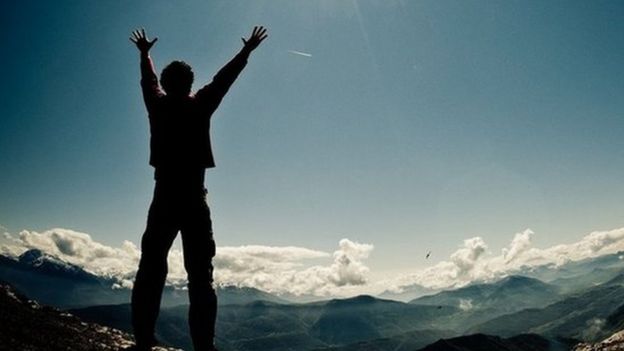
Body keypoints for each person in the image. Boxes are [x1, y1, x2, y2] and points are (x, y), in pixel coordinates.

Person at [128, 26, 267, 351]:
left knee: (150, 270)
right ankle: (204, 347)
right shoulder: (200, 105)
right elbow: (223, 80)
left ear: (165, 84)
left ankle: (143, 341)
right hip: (194, 200)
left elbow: (147, 82)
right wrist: (246, 51)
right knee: (201, 278)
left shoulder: (158, 106)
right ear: (191, 85)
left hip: (163, 198)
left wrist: (145, 55)